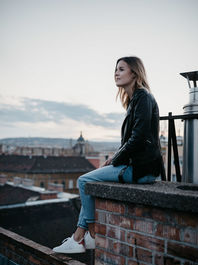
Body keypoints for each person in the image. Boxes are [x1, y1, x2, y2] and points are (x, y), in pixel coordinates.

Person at [53, 56, 162, 254]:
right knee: (90, 180)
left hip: (141, 169)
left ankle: (86, 235)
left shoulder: (143, 97)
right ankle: (84, 237)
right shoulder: (135, 99)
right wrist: (115, 158)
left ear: (134, 73)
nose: (116, 73)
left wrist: (116, 158)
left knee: (83, 181)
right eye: (115, 69)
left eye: (121, 69)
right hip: (137, 166)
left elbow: (138, 138)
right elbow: (133, 140)